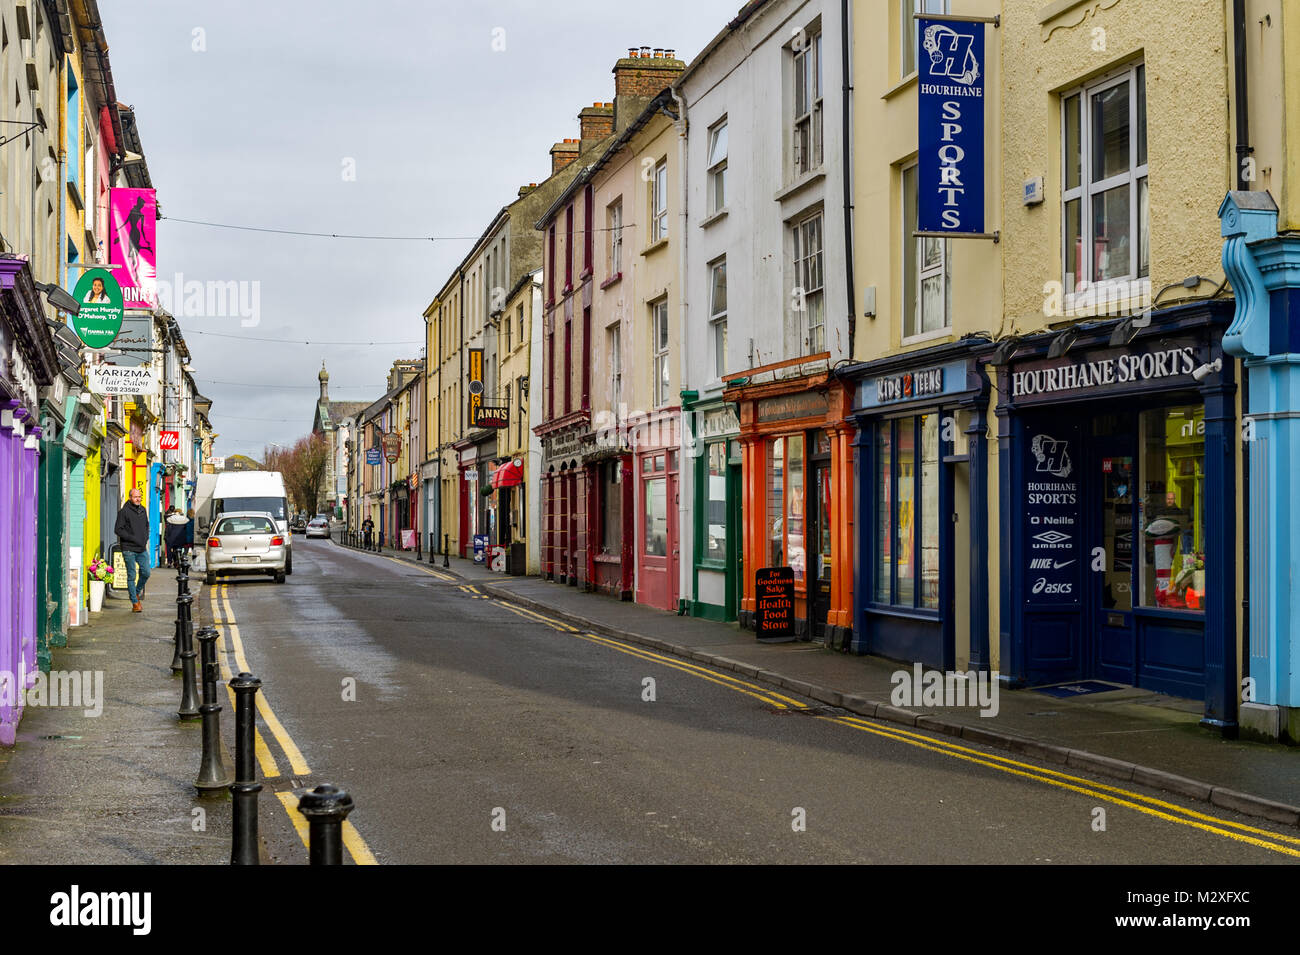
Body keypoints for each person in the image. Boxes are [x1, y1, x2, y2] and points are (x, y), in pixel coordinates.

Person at [115, 487, 151, 612]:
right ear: (130, 498)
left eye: (139, 496)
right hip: (129, 549)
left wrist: (145, 537)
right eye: (135, 497)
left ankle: (135, 592)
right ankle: (135, 603)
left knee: (146, 572)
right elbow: (118, 530)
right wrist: (132, 538)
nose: (138, 499)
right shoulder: (124, 512)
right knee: (132, 575)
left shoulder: (143, 510)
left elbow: (146, 525)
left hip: (141, 548)